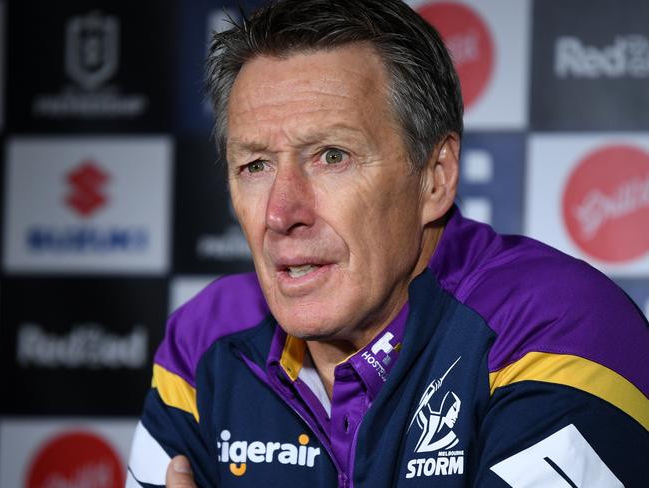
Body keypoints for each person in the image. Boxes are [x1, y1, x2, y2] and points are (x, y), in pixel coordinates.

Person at [127, 0, 649, 486]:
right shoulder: (204, 342)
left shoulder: (558, 325)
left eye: (332, 156)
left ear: (435, 177)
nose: (281, 213)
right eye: (255, 165)